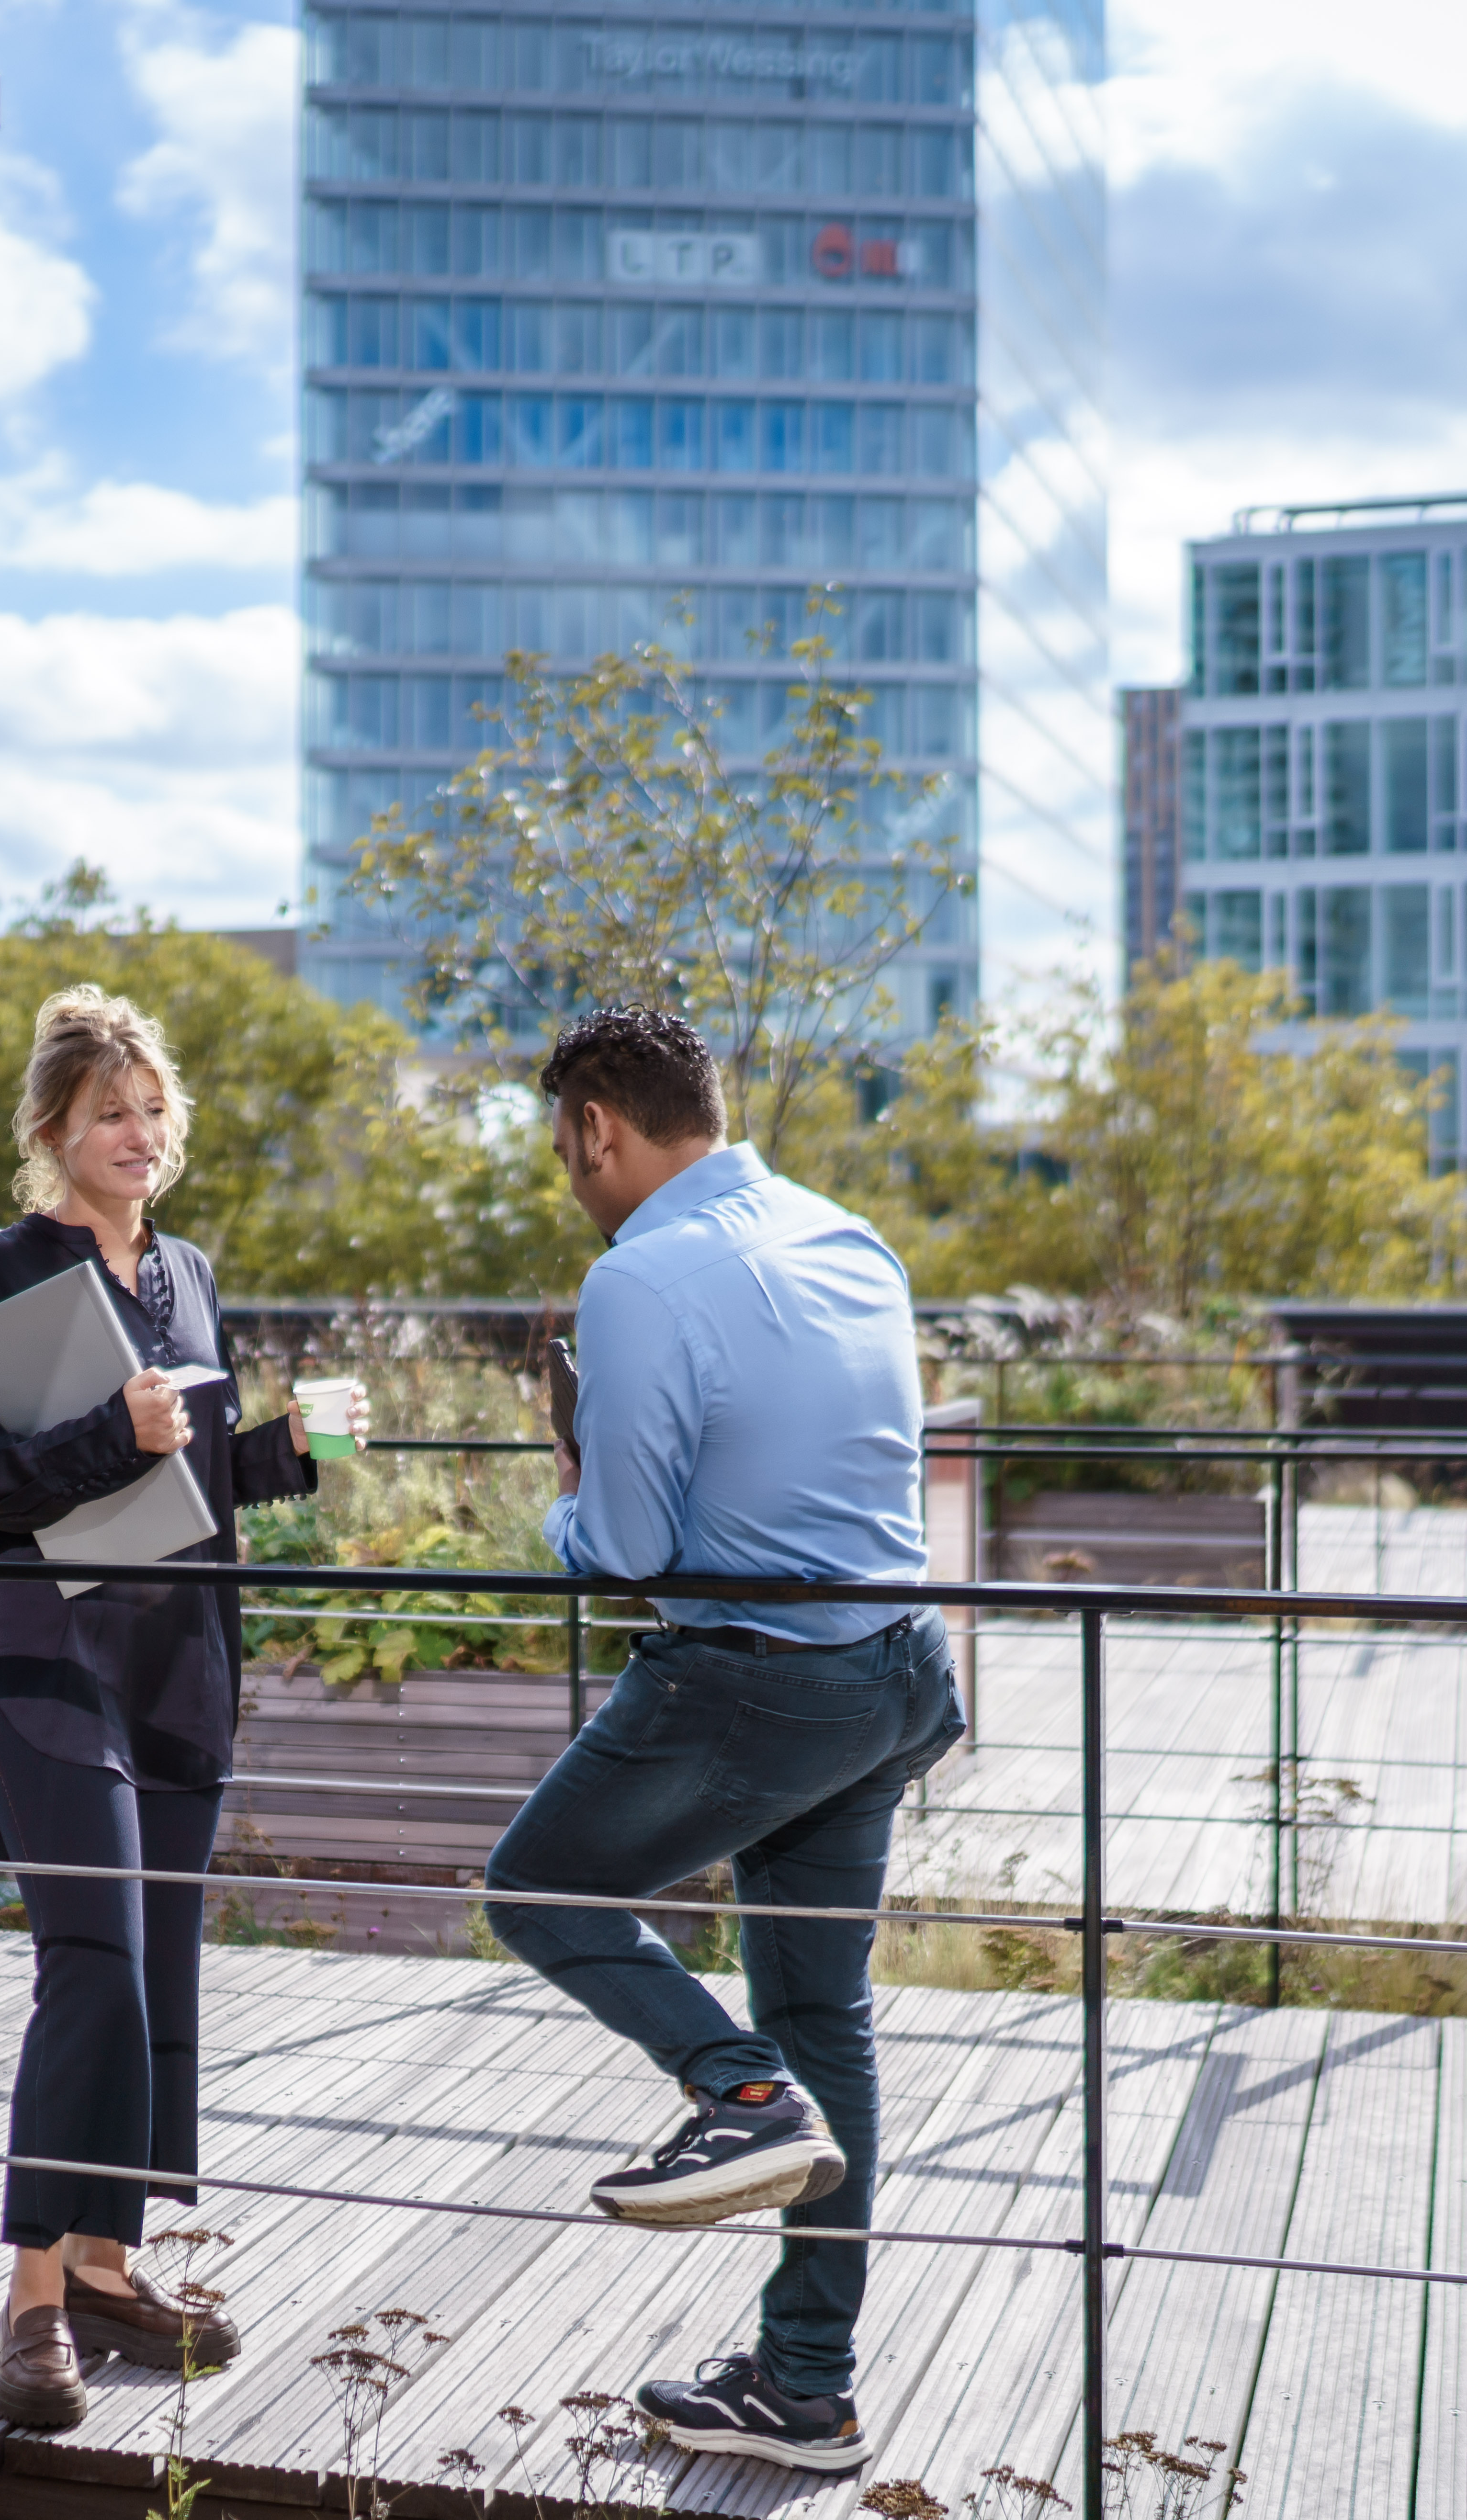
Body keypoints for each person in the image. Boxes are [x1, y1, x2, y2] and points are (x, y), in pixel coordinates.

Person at [481, 1005, 961, 2475]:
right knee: (829, 2020)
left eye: (565, 1151)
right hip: (896, 1671)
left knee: (541, 1890)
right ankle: (803, 2386)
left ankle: (735, 2097)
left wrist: (560, 1490)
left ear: (596, 1130)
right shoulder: (846, 1235)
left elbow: (621, 1542)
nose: (570, 1178)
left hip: (756, 1683)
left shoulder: (638, 1278)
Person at [0, 985, 369, 2434]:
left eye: (154, 1107)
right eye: (111, 1109)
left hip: (176, 1662)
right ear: (54, 1128)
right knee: (93, 1958)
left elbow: (184, 1489)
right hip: (46, 1661)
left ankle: (110, 2268)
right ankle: (32, 2303)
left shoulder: (191, 1273)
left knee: (159, 1966)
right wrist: (114, 1431)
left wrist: (282, 1452)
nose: (139, 1132)